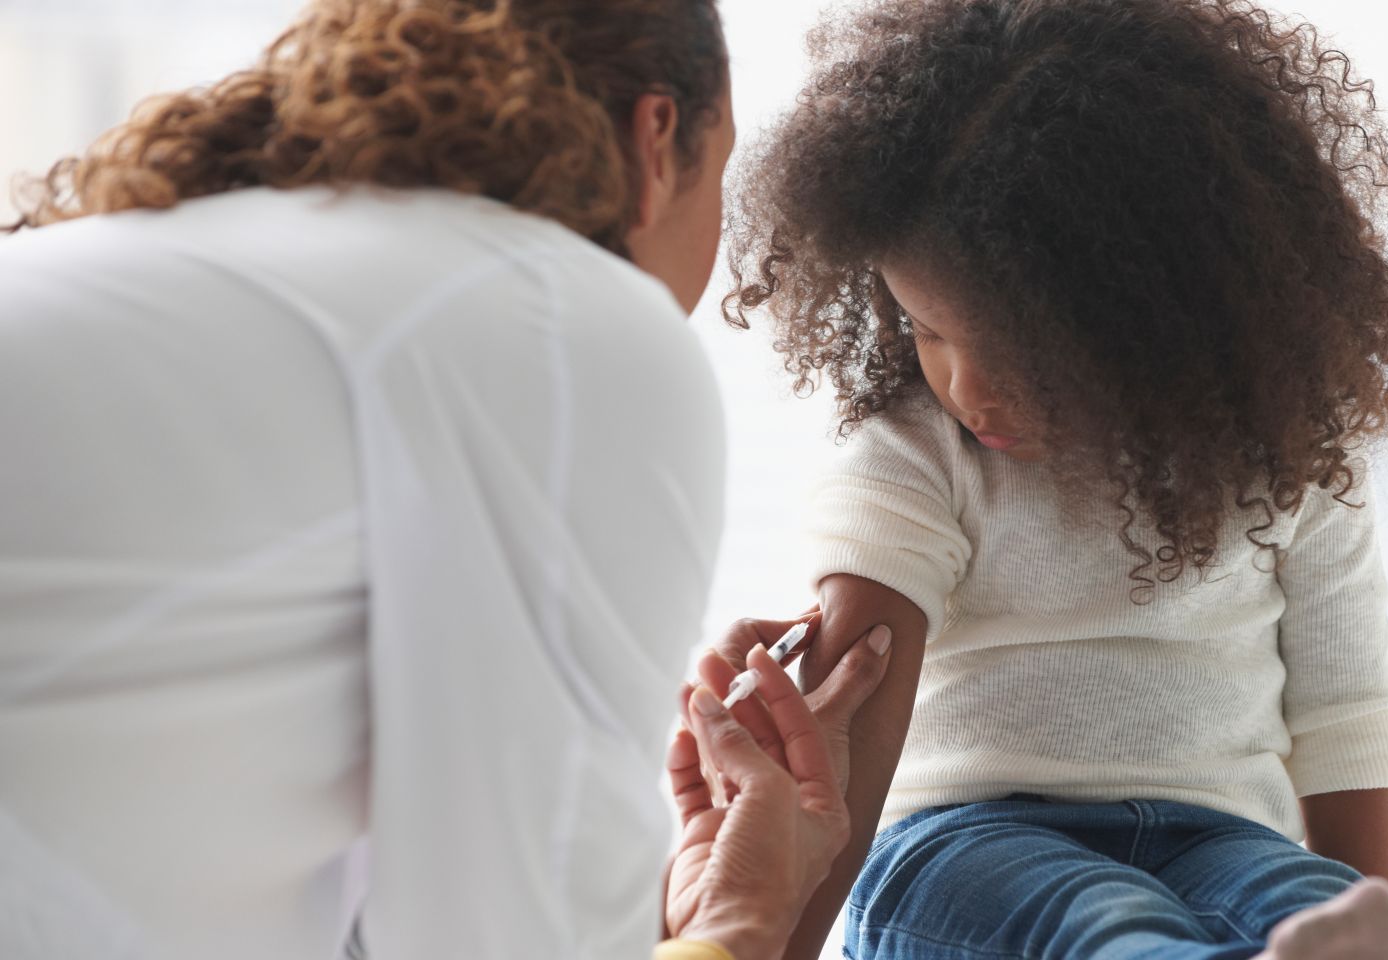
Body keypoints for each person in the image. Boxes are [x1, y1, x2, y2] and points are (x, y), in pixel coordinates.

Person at [719, 0, 1388, 958]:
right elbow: (848, 731)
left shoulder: (1288, 456)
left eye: (1015, 349)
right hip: (968, 843)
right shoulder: (910, 457)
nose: (965, 387)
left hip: (1219, 834)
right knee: (1105, 923)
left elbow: (1346, 720)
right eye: (927, 330)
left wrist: (1369, 922)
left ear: (1151, 314)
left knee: (1296, 894)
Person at [0, 1, 873, 958]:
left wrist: (647, 924)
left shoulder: (229, 272)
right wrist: (749, 918)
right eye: (727, 166)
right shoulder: (560, 322)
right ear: (656, 140)